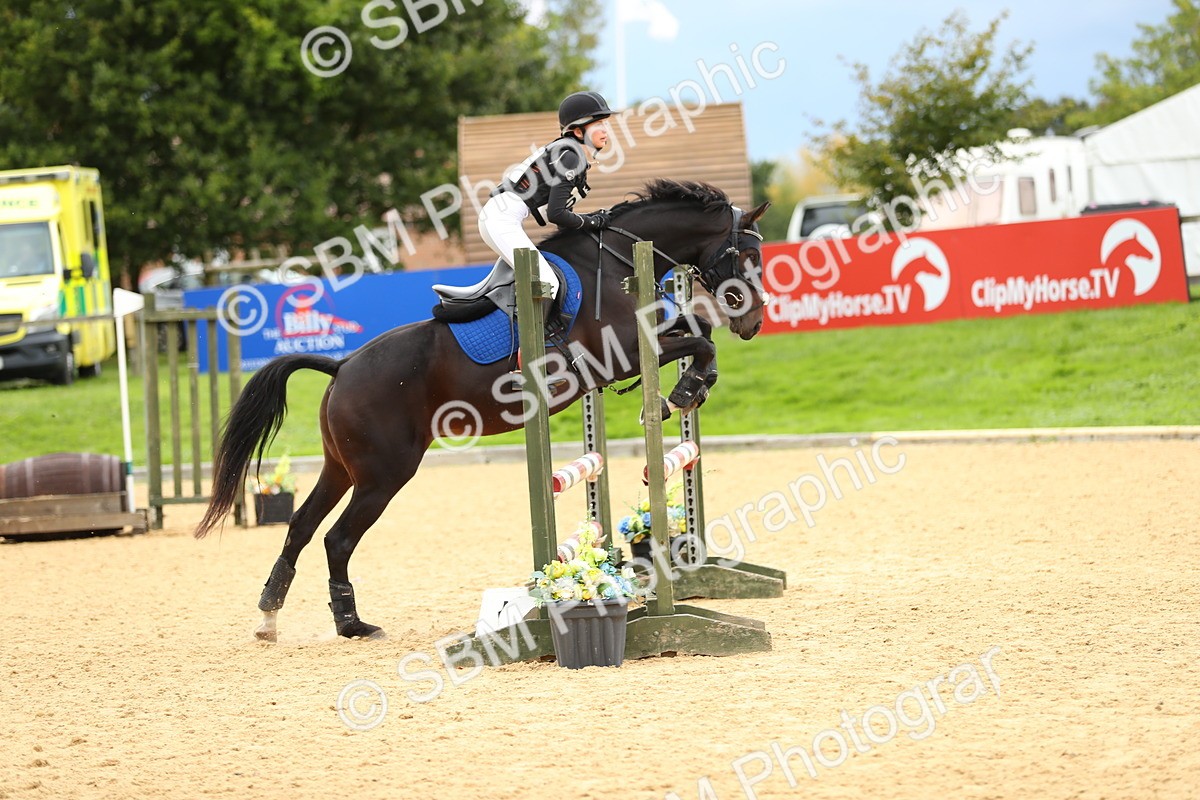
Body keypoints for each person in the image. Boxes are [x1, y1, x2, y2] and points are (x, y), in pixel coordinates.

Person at [479, 91, 615, 333]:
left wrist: (590, 224)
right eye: (598, 124)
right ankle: (531, 350)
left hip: (500, 218)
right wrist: (593, 222)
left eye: (605, 123)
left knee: (545, 278)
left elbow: (561, 218)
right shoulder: (571, 156)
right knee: (548, 283)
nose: (605, 130)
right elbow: (557, 214)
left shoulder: (567, 151)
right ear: (578, 131)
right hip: (501, 220)